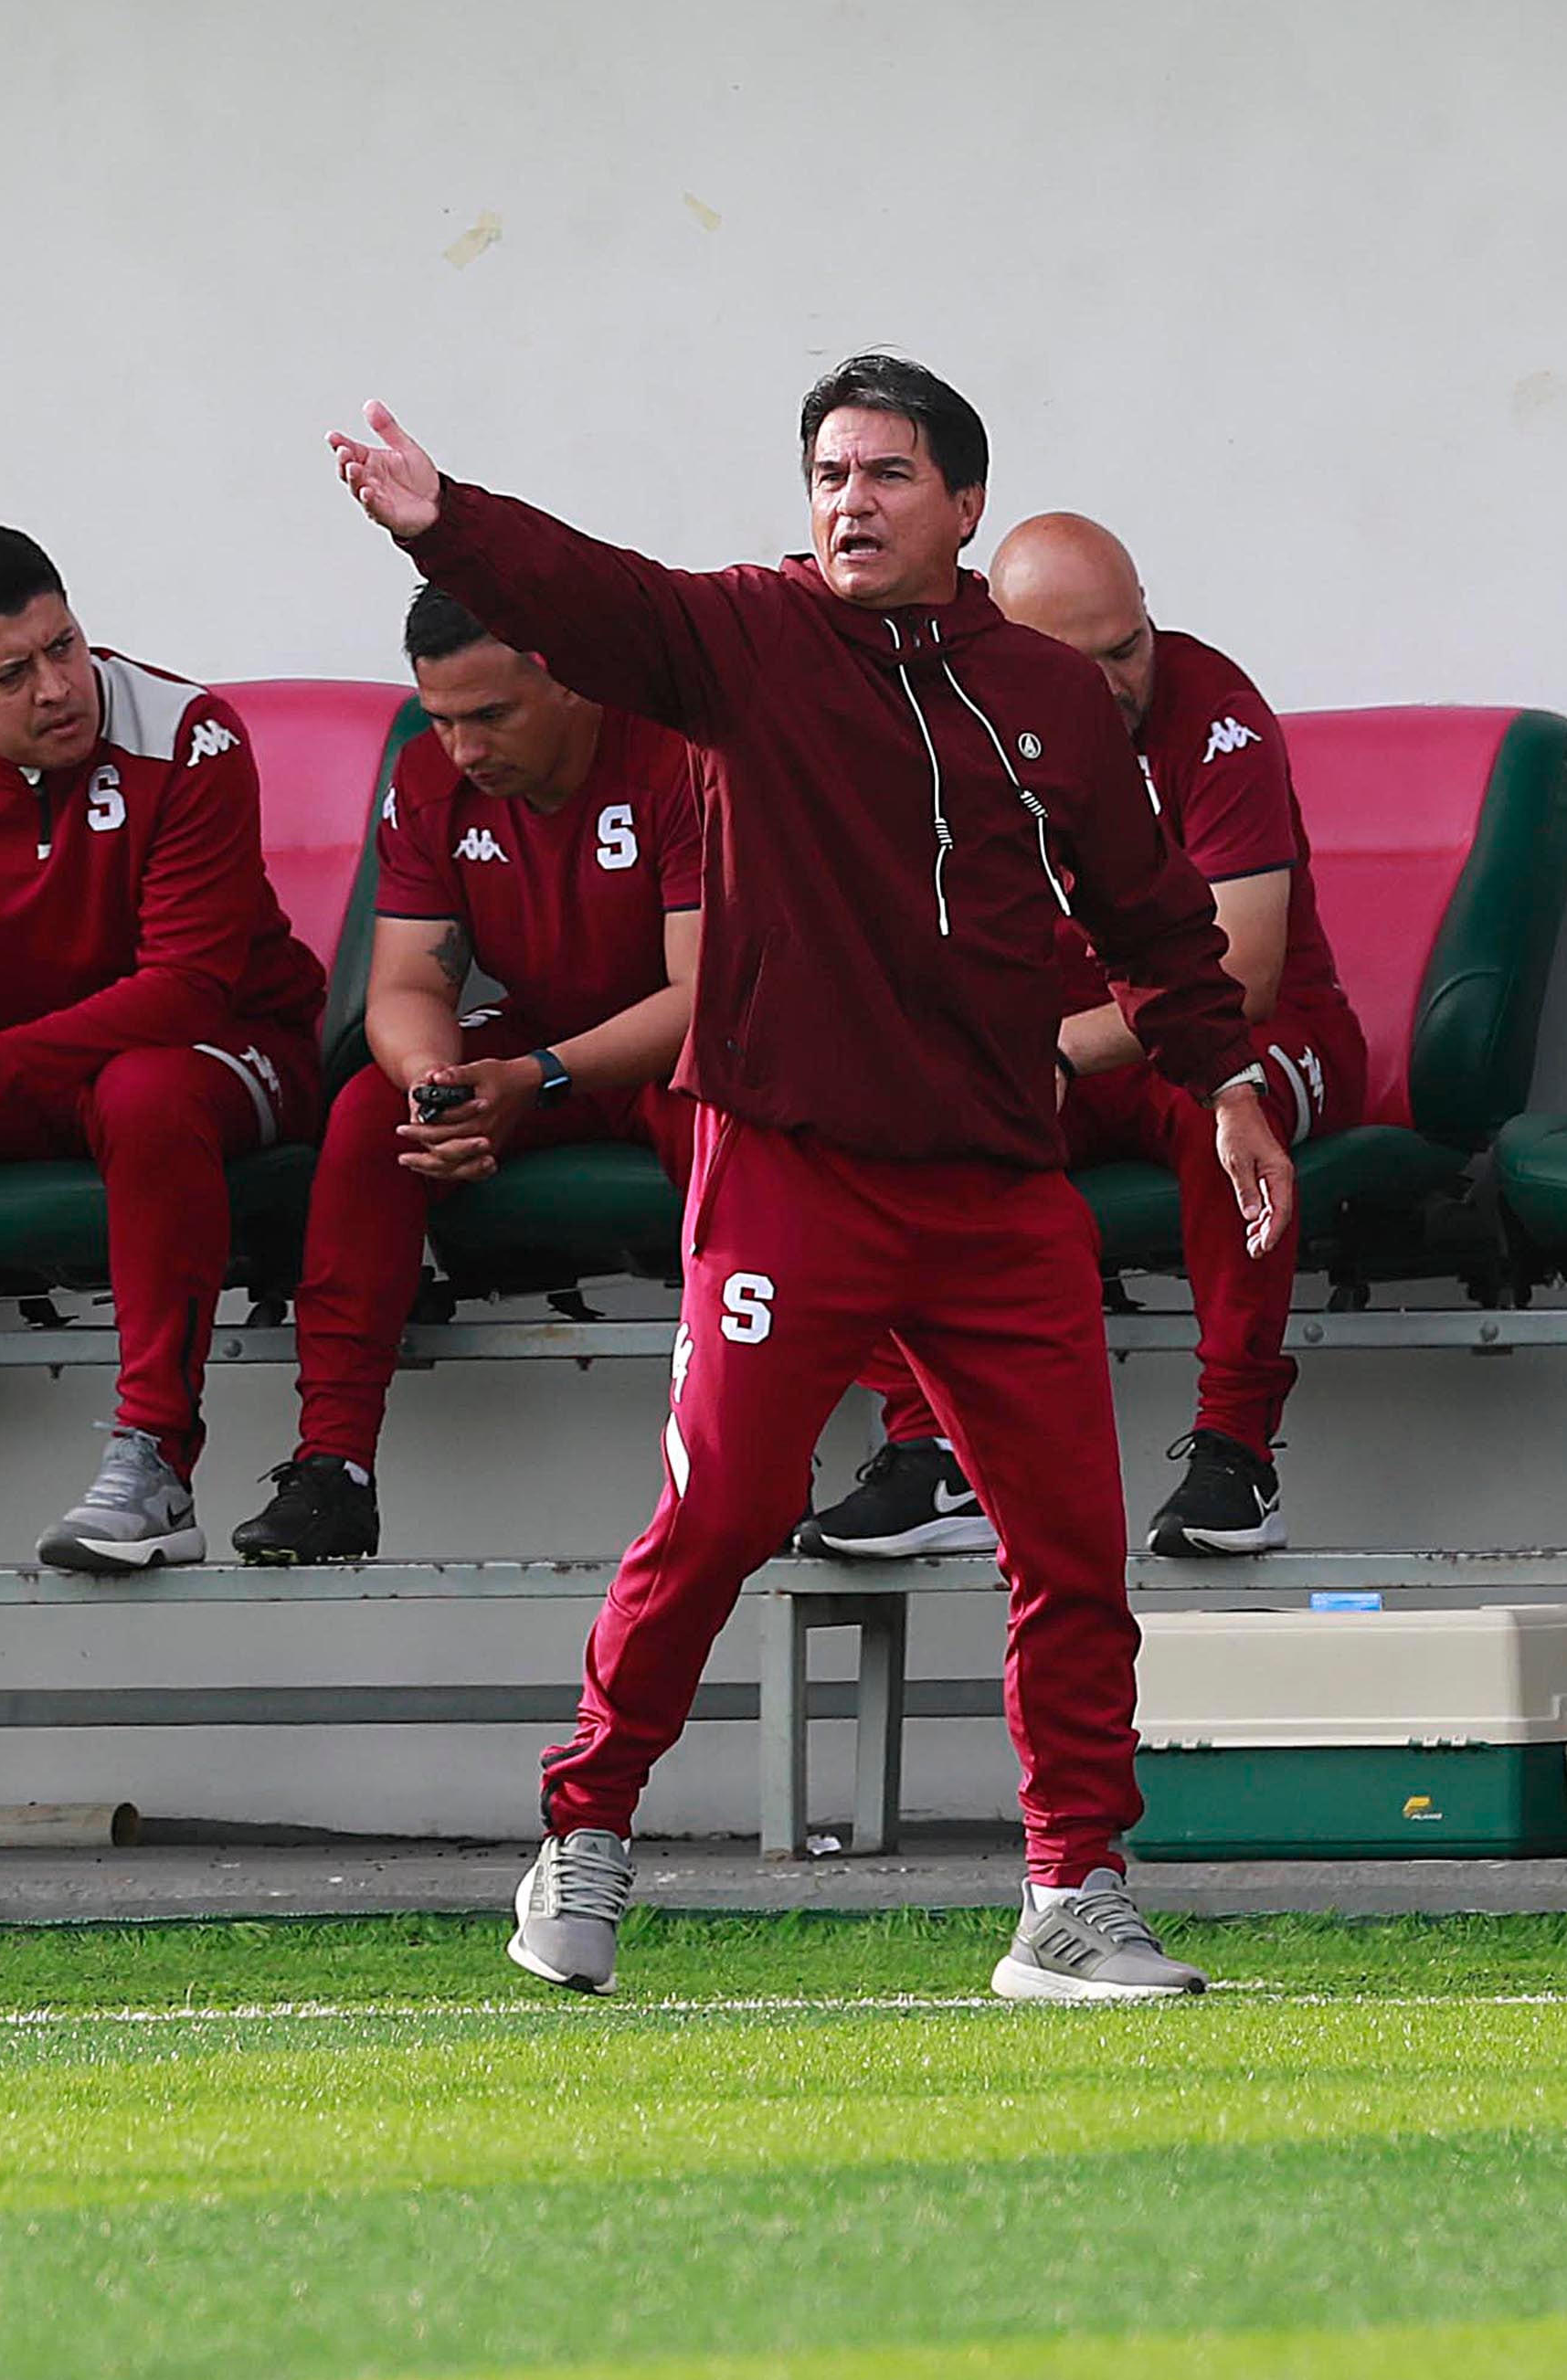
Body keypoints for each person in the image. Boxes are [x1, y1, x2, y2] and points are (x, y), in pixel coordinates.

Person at [328, 354, 1291, 2003]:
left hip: (995, 1190)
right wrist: (449, 529)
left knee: (1072, 1546)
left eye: (888, 474)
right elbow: (597, 599)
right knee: (718, 1516)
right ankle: (590, 1827)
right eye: (832, 474)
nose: (850, 501)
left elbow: (1155, 925)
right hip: (790, 1173)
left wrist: (1225, 1080)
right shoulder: (748, 640)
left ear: (963, 505)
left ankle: (1074, 1892)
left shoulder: (1049, 696)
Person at [799, 515, 1366, 1561]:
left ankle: (1238, 1452)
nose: (1120, 680)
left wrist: (1051, 1052)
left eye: (1129, 645)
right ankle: (935, 1455)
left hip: (1242, 1028)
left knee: (1225, 1109)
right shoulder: (943, 724)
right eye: (1082, 663)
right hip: (1057, 1044)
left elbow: (1241, 975)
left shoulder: (1215, 712)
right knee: (868, 1132)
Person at [0, 525, 327, 1571]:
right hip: (32, 1063)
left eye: (66, 645)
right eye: (13, 672)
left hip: (230, 1049)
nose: (58, 686)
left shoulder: (190, 733)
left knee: (145, 1090)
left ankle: (155, 1469)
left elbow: (185, 991)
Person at [232, 587, 705, 1562]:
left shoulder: (675, 754)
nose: (463, 748)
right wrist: (435, 1085)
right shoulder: (429, 778)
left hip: (674, 1043)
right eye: (442, 718)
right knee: (374, 1112)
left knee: (740, 1119)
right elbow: (405, 980)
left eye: (491, 715)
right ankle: (333, 1470)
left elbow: (704, 994)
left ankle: (756, 1452)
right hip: (537, 1043)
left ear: (568, 681)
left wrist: (538, 1075)